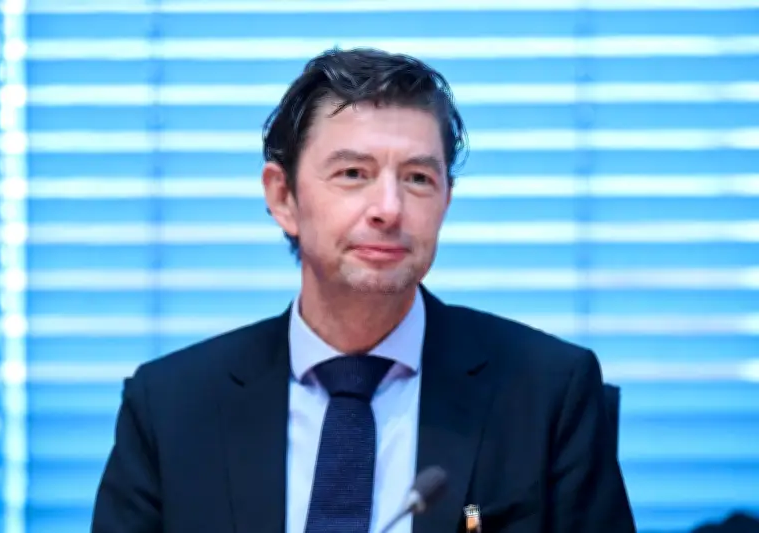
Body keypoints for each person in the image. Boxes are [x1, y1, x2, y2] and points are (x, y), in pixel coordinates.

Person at [91, 47, 636, 533]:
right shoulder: (172, 408)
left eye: (418, 178)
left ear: (445, 202)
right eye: (353, 173)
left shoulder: (547, 394)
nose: (389, 209)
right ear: (282, 198)